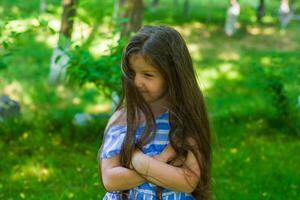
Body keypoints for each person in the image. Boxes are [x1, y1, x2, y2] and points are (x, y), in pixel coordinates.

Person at [98, 25, 211, 200]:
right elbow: (110, 179)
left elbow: (187, 181)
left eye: (148, 75)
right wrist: (162, 159)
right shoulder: (123, 119)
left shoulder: (183, 121)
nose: (136, 81)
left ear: (172, 75)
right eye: (132, 72)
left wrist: (138, 162)